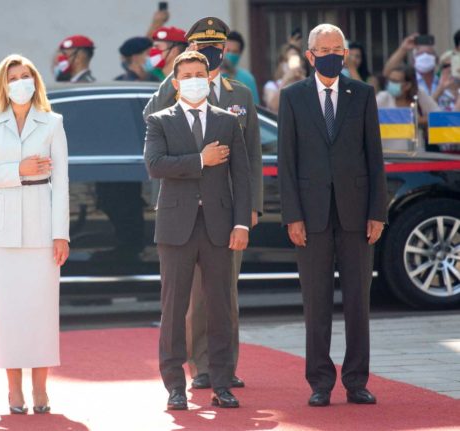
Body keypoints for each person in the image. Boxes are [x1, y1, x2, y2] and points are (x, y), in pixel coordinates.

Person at [144, 16, 262, 392]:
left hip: (225, 210)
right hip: (183, 210)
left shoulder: (239, 94)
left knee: (224, 292)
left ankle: (226, 365)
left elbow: (253, 155)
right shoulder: (174, 89)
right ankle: (202, 366)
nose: (209, 56)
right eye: (200, 49)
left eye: (215, 48)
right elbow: (154, 120)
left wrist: (250, 208)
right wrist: (176, 72)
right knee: (188, 297)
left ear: (225, 51)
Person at [278, 24, 388, 407]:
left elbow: (375, 157)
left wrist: (378, 212)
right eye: (323, 49)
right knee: (317, 303)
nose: (331, 55)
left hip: (357, 215)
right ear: (309, 55)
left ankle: (357, 380)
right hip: (311, 217)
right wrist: (292, 215)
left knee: (358, 302)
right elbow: (286, 161)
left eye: (337, 48)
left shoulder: (362, 94)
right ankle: (320, 382)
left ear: (345, 53)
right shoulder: (292, 97)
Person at [0, 54, 69, 415]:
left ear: (36, 80)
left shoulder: (53, 122)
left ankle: (41, 388)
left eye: (26, 75)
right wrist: (19, 170)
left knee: (42, 310)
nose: (20, 82)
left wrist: (62, 234)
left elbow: (62, 183)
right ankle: (14, 390)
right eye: (13, 77)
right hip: (0, 229)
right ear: (3, 84)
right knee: (10, 313)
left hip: (43, 226)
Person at [376, 65, 439, 150]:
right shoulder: (383, 97)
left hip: (417, 156)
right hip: (388, 156)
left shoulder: (419, 95)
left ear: (407, 85)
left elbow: (438, 116)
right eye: (389, 80)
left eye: (395, 81)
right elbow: (367, 114)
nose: (390, 84)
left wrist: (417, 120)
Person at [263, 44, 307, 113]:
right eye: (288, 60)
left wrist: (304, 80)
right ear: (282, 64)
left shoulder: (305, 83)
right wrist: (285, 80)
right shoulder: (271, 85)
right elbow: (273, 107)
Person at [221, 31, 260, 105]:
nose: (230, 54)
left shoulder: (247, 79)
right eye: (228, 50)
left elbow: (255, 110)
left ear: (240, 53)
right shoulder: (207, 76)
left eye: (235, 51)